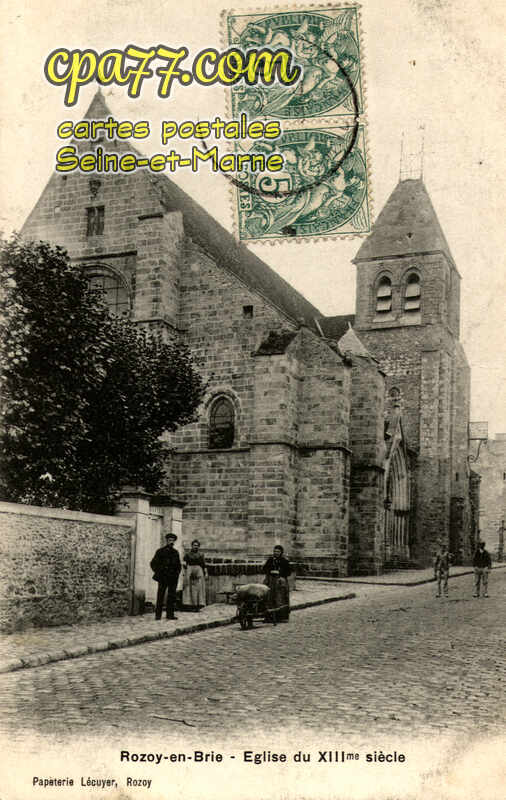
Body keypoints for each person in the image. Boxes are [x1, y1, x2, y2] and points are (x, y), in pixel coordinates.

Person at [150, 533, 181, 620]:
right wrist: (159, 572)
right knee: (160, 595)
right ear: (166, 541)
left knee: (171, 596)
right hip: (163, 577)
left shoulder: (175, 553)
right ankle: (158, 615)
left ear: (174, 542)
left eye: (173, 540)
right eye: (169, 540)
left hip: (173, 578)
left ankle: (170, 615)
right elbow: (153, 563)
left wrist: (177, 574)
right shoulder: (160, 551)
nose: (171, 542)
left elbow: (178, 565)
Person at [263, 545, 292, 623]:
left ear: (281, 552)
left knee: (280, 598)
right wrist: (270, 571)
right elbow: (264, 568)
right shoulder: (270, 560)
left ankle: (282, 617)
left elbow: (289, 572)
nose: (276, 553)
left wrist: (280, 573)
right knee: (270, 598)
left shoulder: (285, 561)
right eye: (275, 551)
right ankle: (269, 617)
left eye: (278, 552)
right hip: (271, 581)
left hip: (280, 582)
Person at [183, 539, 207, 611]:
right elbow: (184, 563)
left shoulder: (201, 555)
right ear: (192, 546)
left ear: (198, 547)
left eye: (197, 546)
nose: (195, 547)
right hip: (189, 570)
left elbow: (204, 565)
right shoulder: (187, 554)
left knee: (198, 588)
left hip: (199, 571)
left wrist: (206, 573)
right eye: (194, 545)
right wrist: (186, 571)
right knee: (189, 588)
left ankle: (198, 604)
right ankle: (190, 605)